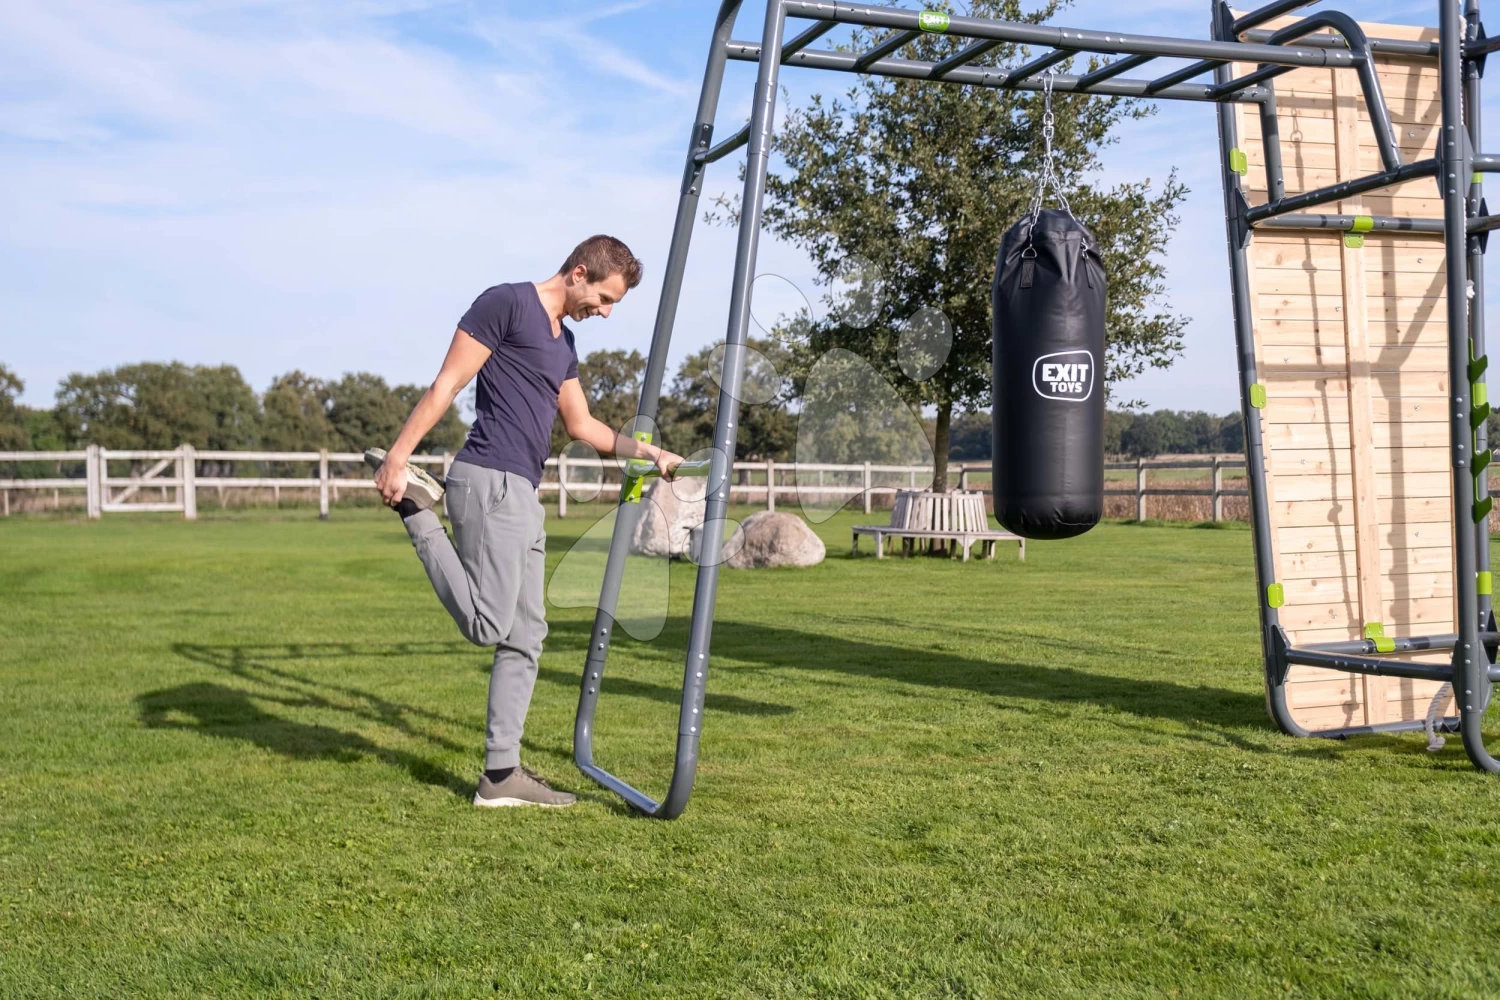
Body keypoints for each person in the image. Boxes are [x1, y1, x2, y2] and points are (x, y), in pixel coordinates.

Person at [368, 234, 683, 808]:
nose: (605, 313)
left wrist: (652, 453)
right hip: (489, 480)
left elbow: (583, 426)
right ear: (579, 272)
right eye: (605, 299)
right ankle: (416, 508)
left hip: (523, 495)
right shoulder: (507, 303)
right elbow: (448, 383)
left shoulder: (565, 345)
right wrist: (398, 455)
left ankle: (500, 775)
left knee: (527, 634)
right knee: (489, 624)